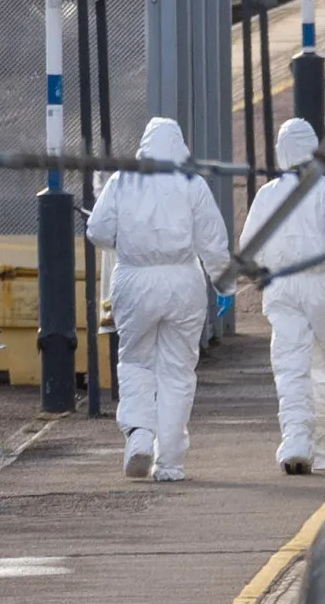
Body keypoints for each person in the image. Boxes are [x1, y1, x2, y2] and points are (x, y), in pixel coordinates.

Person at [87, 117, 232, 482]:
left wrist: (124, 241)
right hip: (184, 281)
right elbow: (212, 242)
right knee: (178, 372)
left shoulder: (123, 180)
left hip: (134, 279)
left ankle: (138, 433)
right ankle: (170, 462)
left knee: (135, 362)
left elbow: (98, 231)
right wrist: (224, 286)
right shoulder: (192, 184)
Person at [239, 118, 325, 475]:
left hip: (282, 284)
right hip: (324, 285)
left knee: (290, 365)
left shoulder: (267, 195)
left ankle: (295, 440)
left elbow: (247, 248)